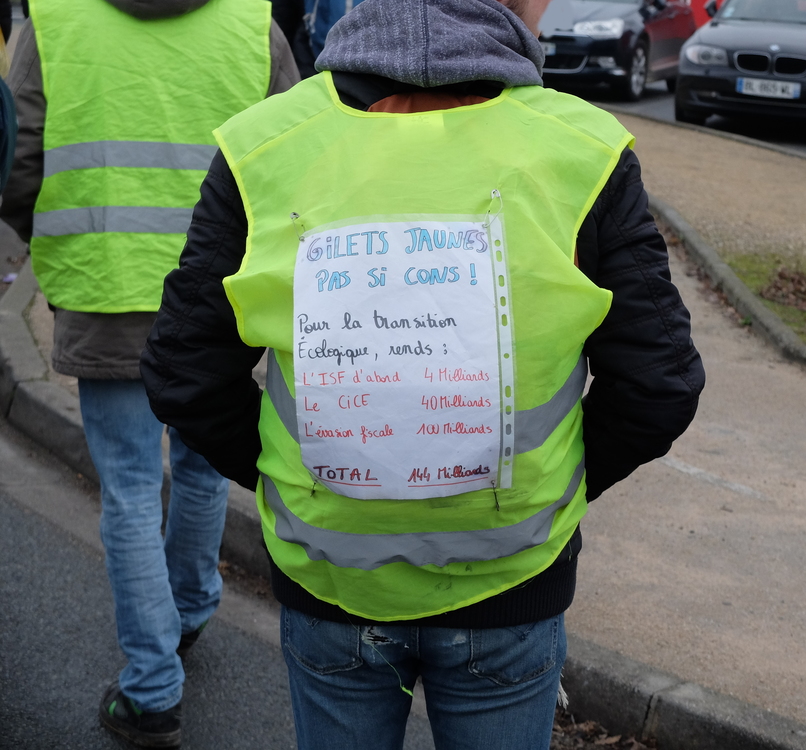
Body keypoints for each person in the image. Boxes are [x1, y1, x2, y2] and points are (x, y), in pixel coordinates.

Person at [140, 0, 705, 747]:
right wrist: (553, 477)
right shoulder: (582, 151)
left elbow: (184, 369)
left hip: (330, 581)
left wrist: (301, 474)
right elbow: (659, 382)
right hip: (512, 583)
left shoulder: (265, 148)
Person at [0, 0, 298, 747]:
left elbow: (22, 152)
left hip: (106, 280)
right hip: (219, 291)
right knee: (200, 467)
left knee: (130, 486)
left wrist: (25, 231)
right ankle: (192, 605)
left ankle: (151, 688)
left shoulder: (55, 20)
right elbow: (296, 153)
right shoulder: (251, 22)